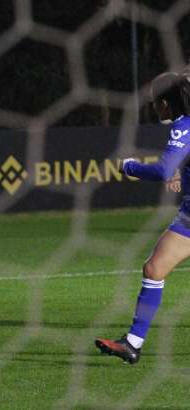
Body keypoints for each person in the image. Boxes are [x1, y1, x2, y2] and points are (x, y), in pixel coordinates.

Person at [95, 72, 190, 364]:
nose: (154, 108)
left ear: (164, 103)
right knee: (154, 268)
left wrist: (127, 166)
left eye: (154, 103)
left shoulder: (182, 127)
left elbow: (162, 170)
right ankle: (132, 344)